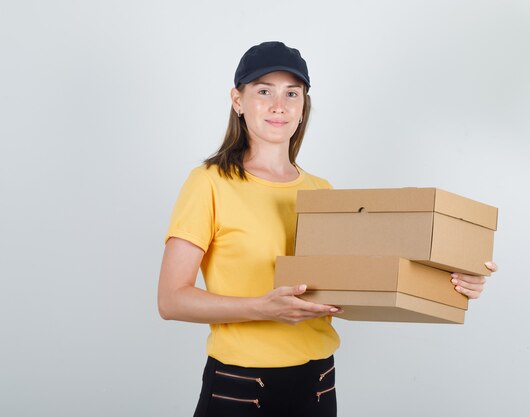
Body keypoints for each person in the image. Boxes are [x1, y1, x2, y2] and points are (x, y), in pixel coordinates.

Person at [158, 41, 497, 417]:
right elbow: (171, 300)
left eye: (292, 93)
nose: (279, 105)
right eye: (263, 91)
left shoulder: (322, 193)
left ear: (303, 107)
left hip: (317, 388)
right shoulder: (209, 183)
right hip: (240, 389)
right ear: (237, 100)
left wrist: (452, 281)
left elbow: (360, 285)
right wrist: (261, 308)